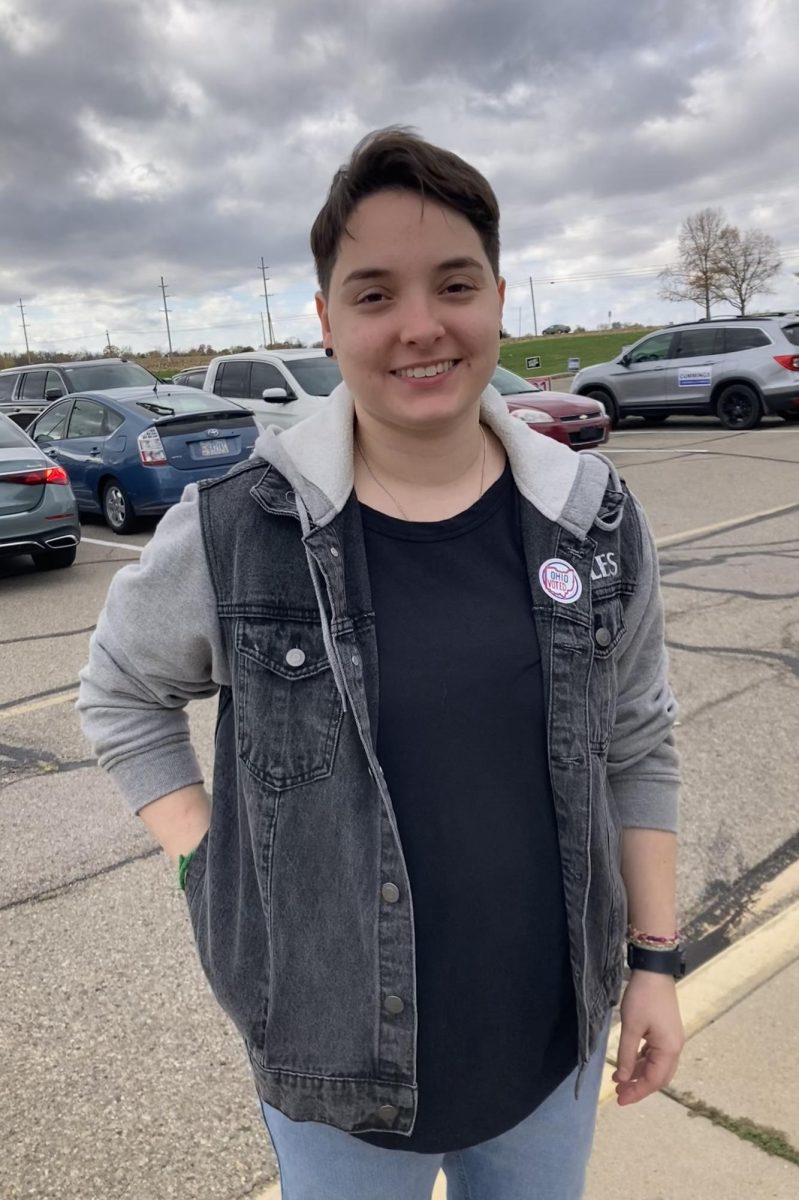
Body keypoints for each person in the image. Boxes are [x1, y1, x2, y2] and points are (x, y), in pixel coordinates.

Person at [78, 128, 684, 1200]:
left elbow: (637, 739)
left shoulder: (591, 520)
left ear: (497, 297)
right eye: (373, 294)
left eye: (453, 283)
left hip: (552, 1055)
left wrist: (653, 964)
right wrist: (204, 861)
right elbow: (120, 691)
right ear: (324, 321)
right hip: (331, 1078)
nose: (420, 326)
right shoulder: (238, 528)